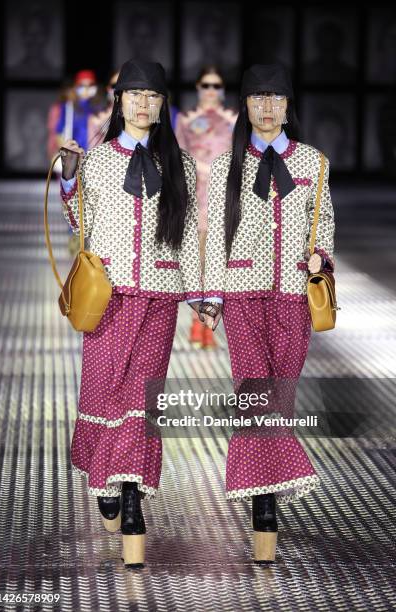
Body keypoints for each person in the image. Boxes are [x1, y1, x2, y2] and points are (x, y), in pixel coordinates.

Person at [58, 59, 203, 568]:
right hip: (109, 295)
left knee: (143, 400)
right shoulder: (97, 161)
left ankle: (133, 497)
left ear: (163, 105)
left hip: (160, 295)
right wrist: (71, 181)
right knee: (103, 391)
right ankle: (105, 473)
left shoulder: (178, 166)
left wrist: (200, 294)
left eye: (153, 95)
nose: (143, 103)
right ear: (119, 101)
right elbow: (80, 225)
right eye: (133, 94)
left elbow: (186, 237)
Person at [200, 64, 335, 563]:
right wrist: (211, 297)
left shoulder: (313, 163)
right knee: (255, 390)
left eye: (276, 98)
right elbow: (214, 238)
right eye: (257, 98)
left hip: (293, 293)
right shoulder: (227, 165)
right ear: (245, 106)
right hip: (241, 290)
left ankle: (265, 488)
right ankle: (265, 504)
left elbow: (326, 224)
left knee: (281, 391)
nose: (267, 107)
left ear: (288, 106)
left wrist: (322, 255)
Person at [176, 66, 237, 348]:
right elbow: (177, 158)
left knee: (220, 260)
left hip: (224, 198)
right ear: (198, 88)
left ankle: (211, 324)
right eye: (206, 85)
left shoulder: (234, 120)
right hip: (194, 198)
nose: (211, 91)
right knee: (196, 260)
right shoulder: (187, 120)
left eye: (216, 85)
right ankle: (196, 322)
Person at [56, 69, 106, 255]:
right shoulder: (69, 107)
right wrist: (68, 152)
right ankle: (74, 235)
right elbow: (59, 132)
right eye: (82, 86)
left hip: (95, 160)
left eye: (89, 85)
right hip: (75, 159)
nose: (85, 90)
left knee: (93, 197)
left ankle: (92, 238)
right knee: (71, 195)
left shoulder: (101, 107)